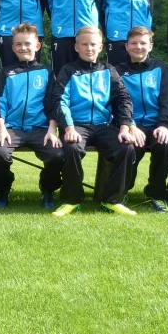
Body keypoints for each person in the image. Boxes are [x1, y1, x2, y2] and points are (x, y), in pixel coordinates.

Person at [50, 26, 136, 217]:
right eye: (84, 44)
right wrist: (68, 128)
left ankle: (111, 200)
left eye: (93, 44)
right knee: (72, 148)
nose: (89, 48)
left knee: (126, 148)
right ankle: (72, 200)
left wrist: (124, 128)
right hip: (77, 126)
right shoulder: (68, 71)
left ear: (100, 47)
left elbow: (123, 99)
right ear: (76, 47)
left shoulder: (109, 70)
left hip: (104, 126)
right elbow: (59, 100)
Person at [0, 22, 63, 210]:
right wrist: (1, 129)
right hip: (11, 129)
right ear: (13, 48)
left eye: (28, 43)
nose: (23, 48)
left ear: (37, 46)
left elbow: (53, 103)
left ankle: (47, 189)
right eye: (19, 44)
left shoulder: (46, 72)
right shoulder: (6, 73)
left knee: (57, 154)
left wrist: (52, 130)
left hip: (40, 129)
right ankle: (3, 189)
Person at [115, 26, 168, 213]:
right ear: (126, 46)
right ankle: (123, 190)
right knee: (129, 148)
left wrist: (163, 125)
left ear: (150, 46)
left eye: (143, 43)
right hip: (132, 125)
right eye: (134, 43)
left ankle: (156, 193)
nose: (138, 47)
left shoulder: (159, 68)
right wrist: (130, 126)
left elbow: (167, 99)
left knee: (164, 145)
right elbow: (116, 102)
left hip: (156, 125)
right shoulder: (118, 71)